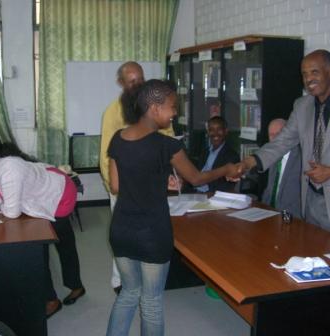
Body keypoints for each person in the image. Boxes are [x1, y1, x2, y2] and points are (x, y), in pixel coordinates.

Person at [105, 79, 239, 336]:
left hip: (121, 229)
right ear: (154, 108)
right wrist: (227, 168)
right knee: (152, 303)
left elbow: (115, 185)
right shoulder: (167, 145)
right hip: (152, 234)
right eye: (172, 106)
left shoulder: (118, 139)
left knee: (129, 293)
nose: (175, 112)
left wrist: (156, 177)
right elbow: (197, 178)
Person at [236, 49, 330, 243]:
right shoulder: (302, 106)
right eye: (304, 74)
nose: (308, 79)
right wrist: (250, 162)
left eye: (314, 72)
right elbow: (282, 140)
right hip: (310, 204)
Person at [0, 134, 85, 318]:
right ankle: (54, 296)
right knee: (41, 246)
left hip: (59, 193)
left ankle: (71, 289)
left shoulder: (10, 168)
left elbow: (11, 212)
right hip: (36, 197)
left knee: (62, 242)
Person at [100, 61, 174, 294]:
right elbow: (106, 154)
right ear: (121, 83)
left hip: (153, 187)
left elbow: (168, 143)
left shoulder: (155, 106)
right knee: (124, 239)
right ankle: (119, 282)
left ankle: (150, 279)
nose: (138, 84)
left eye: (140, 79)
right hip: (124, 189)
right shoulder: (113, 111)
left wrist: (169, 177)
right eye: (132, 81)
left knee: (151, 234)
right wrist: (116, 189)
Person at [261, 119, 302, 218]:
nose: (275, 138)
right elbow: (269, 190)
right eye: (271, 135)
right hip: (270, 215)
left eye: (278, 134)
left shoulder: (301, 158)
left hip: (292, 218)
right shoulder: (272, 157)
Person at [194, 116, 240, 193]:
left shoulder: (232, 156)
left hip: (211, 194)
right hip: (195, 191)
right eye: (211, 130)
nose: (215, 133)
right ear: (208, 132)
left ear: (226, 131)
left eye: (219, 129)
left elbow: (227, 185)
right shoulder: (205, 152)